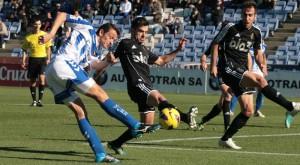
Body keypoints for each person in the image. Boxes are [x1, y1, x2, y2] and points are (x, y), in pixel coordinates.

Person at [38, 12, 161, 163]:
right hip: (63, 63)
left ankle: (100, 153)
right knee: (100, 94)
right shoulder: (87, 27)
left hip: (51, 74)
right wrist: (51, 34)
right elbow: (62, 14)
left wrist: (108, 61)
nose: (111, 42)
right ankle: (134, 125)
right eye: (110, 37)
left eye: (114, 40)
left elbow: (96, 65)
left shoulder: (91, 51)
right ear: (101, 32)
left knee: (80, 112)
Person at [210, 1, 300, 149]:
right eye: (245, 14)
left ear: (255, 16)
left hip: (241, 70)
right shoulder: (230, 28)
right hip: (227, 68)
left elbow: (258, 53)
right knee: (259, 80)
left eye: (250, 15)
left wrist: (261, 63)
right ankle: (290, 106)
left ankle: (225, 139)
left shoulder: (256, 32)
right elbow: (215, 43)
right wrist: (213, 65)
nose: (247, 18)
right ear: (242, 14)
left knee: (248, 111)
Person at [107, 17, 198, 155]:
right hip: (137, 85)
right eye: (140, 31)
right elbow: (110, 53)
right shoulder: (124, 43)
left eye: (146, 32)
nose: (144, 35)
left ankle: (115, 143)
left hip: (146, 86)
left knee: (145, 126)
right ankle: (185, 117)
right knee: (160, 99)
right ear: (133, 31)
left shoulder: (144, 49)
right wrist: (111, 57)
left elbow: (161, 61)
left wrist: (178, 49)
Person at [230, 41, 268, 118]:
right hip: (248, 69)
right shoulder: (246, 42)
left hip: (259, 70)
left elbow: (263, 57)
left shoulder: (262, 44)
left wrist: (265, 69)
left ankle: (257, 110)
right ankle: (231, 109)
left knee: (262, 90)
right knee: (241, 89)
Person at [21, 17, 51, 107]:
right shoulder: (28, 37)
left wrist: (48, 58)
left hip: (42, 59)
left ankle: (40, 100)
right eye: (35, 24)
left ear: (40, 25)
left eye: (38, 24)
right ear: (33, 25)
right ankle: (34, 101)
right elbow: (25, 50)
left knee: (42, 79)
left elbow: (48, 47)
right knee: (33, 81)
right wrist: (23, 60)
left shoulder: (45, 35)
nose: (37, 26)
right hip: (32, 60)